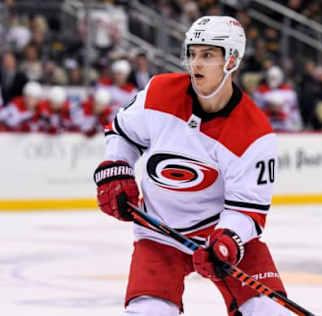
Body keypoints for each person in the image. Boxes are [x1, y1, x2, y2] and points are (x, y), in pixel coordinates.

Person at [93, 16, 289, 316]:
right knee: (148, 312)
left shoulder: (255, 133)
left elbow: (248, 210)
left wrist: (227, 242)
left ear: (231, 60)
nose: (195, 64)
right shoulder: (159, 92)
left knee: (267, 311)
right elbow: (122, 133)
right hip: (158, 233)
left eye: (208, 55)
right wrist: (116, 168)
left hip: (220, 235)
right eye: (192, 53)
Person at [253, 65, 302, 132]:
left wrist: (297, 123)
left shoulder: (290, 93)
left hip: (286, 124)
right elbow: (257, 111)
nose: (273, 79)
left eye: (275, 77)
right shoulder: (260, 93)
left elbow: (294, 110)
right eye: (271, 77)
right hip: (267, 123)